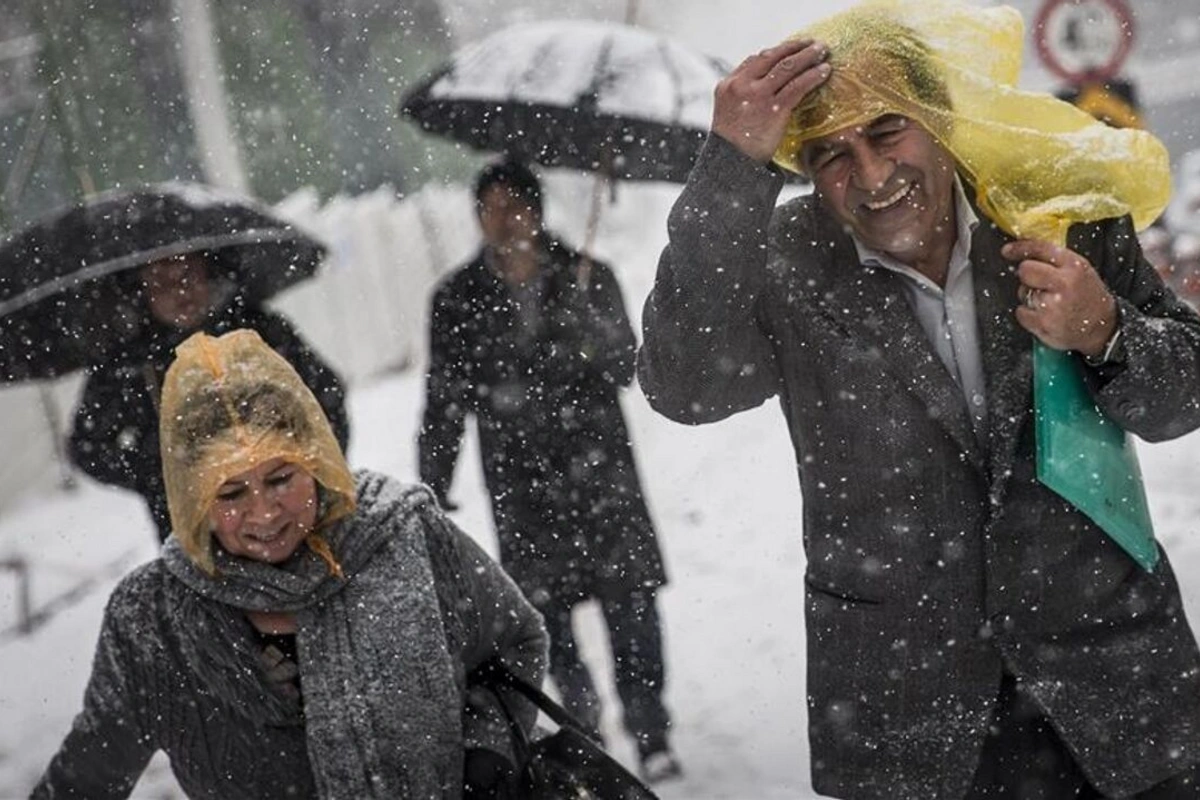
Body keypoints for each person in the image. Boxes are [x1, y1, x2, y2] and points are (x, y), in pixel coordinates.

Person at [637, 2, 1200, 798]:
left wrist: (1106, 330)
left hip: (1115, 689)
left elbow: (1186, 394)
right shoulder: (784, 261)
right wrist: (732, 165)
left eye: (887, 131)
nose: (869, 175)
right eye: (830, 152)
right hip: (908, 717)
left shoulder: (1054, 214)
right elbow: (683, 387)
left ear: (938, 120)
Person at [34, 328, 547, 799]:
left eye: (282, 478)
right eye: (230, 492)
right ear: (193, 498)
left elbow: (514, 643)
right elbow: (87, 775)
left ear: (317, 459)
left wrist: (486, 755)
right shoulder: (153, 619)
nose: (264, 511)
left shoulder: (402, 536)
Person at [418, 160, 680, 782]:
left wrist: (586, 331)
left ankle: (651, 733)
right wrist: (434, 478)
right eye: (490, 207)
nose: (503, 219)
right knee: (542, 618)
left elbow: (625, 368)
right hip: (521, 480)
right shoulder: (456, 299)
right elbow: (444, 396)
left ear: (537, 211)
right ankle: (583, 730)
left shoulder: (590, 277)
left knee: (631, 606)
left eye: (514, 205)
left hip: (601, 475)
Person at [68, 251, 350, 542]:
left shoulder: (257, 329)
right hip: (194, 538)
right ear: (141, 290)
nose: (181, 291)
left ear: (209, 272)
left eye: (189, 274)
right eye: (162, 282)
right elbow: (87, 447)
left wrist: (313, 472)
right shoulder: (128, 363)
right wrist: (161, 473)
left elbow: (326, 396)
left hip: (295, 519)